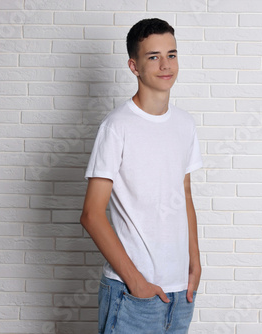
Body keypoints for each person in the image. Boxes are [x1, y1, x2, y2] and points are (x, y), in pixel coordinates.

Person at [80, 18, 202, 334]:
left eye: (171, 54)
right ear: (134, 66)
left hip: (180, 292)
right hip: (131, 294)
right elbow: (92, 215)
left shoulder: (185, 125)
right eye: (153, 57)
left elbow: (184, 194)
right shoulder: (116, 127)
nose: (166, 65)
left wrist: (195, 264)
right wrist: (137, 283)